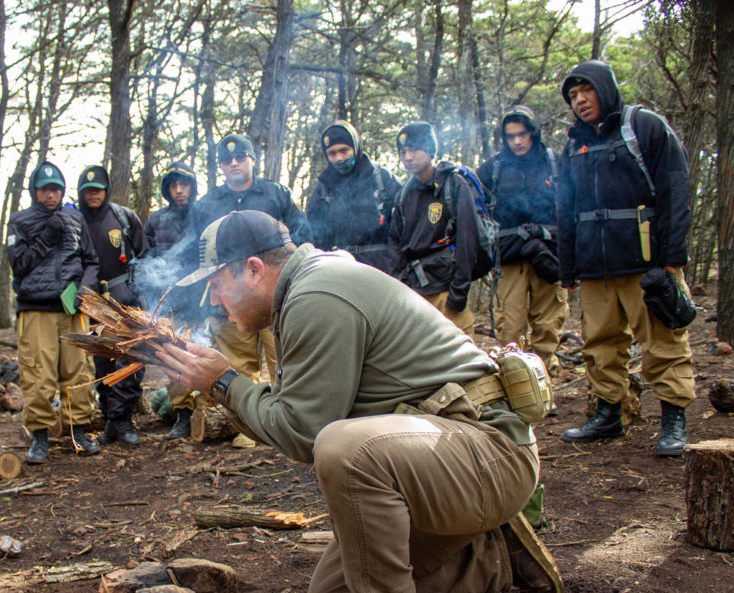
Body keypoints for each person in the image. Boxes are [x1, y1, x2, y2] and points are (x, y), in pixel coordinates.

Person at [157, 210, 562, 593]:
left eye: (216, 284)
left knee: (346, 451)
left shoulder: (317, 294)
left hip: (491, 454)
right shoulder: (310, 285)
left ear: (253, 269)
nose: (213, 300)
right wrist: (221, 384)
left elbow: (303, 433)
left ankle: (480, 523)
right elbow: (286, 414)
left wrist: (224, 382)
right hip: (449, 457)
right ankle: (488, 558)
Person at [556, 60, 694, 456]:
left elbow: (675, 189)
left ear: (605, 88)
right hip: (594, 266)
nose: (580, 101)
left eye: (587, 90)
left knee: (662, 341)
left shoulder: (644, 126)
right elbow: (565, 209)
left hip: (646, 262)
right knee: (600, 344)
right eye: (573, 95)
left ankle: (674, 418)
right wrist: (568, 268)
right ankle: (608, 415)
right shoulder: (574, 144)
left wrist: (672, 257)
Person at [187, 133, 312, 385]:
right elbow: (195, 252)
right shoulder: (206, 204)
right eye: (226, 159)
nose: (233, 163)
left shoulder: (276, 194)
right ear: (221, 166)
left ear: (252, 159)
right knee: (239, 369)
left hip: (275, 295)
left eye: (240, 157)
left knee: (287, 364)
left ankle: (287, 407)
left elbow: (301, 235)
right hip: (231, 300)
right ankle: (246, 411)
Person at [8, 161, 102, 460]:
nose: (50, 195)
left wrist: (85, 289)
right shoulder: (20, 221)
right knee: (38, 372)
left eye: (56, 189)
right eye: (44, 190)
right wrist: (47, 235)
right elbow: (19, 264)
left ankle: (78, 431)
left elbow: (91, 260)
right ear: (35, 191)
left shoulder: (76, 219)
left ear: (62, 191)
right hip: (36, 309)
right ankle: (39, 436)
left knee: (78, 369)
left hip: (72, 309)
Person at [477, 106, 568, 376]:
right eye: (510, 136)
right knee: (510, 328)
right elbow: (476, 211)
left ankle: (545, 381)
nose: (517, 141)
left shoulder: (554, 162)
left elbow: (572, 208)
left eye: (522, 134)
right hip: (510, 258)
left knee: (548, 326)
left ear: (533, 133)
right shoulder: (493, 168)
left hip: (550, 255)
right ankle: (517, 384)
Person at [388, 122, 484, 338]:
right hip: (415, 292)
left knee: (461, 353)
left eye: (414, 150)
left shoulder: (454, 184)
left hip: (446, 289)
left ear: (430, 150)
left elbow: (468, 238)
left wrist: (458, 292)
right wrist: (400, 286)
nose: (408, 157)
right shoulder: (403, 195)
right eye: (403, 152)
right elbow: (395, 245)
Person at [77, 165, 148, 446]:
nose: (93, 195)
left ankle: (123, 420)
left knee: (129, 360)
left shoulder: (124, 218)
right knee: (101, 362)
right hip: (92, 303)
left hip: (125, 300)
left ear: (106, 191)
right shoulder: (74, 221)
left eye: (97, 190)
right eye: (87, 191)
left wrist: (137, 291)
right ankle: (110, 420)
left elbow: (143, 256)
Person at [143, 161, 208, 439]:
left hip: (203, 301)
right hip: (171, 303)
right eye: (173, 185)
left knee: (207, 355)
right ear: (167, 190)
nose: (179, 190)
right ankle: (181, 413)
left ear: (193, 187)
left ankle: (206, 410)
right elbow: (147, 260)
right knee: (175, 359)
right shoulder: (156, 221)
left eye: (184, 184)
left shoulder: (205, 214)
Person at [306, 120, 402, 273]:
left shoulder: (381, 178)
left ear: (355, 148)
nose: (339, 158)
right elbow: (314, 236)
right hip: (341, 268)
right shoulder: (324, 189)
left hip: (381, 268)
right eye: (332, 153)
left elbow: (403, 225)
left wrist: (396, 265)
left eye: (344, 150)